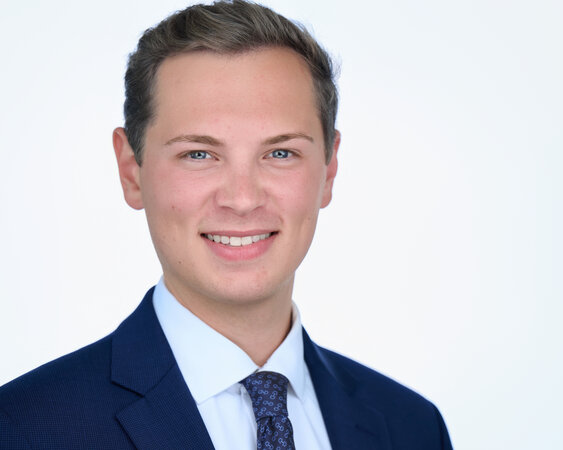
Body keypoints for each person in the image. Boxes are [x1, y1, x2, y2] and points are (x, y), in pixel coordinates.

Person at [0, 1, 453, 449]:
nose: (242, 199)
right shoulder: (21, 429)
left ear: (329, 170)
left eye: (281, 153)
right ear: (131, 171)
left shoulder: (412, 428)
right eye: (199, 154)